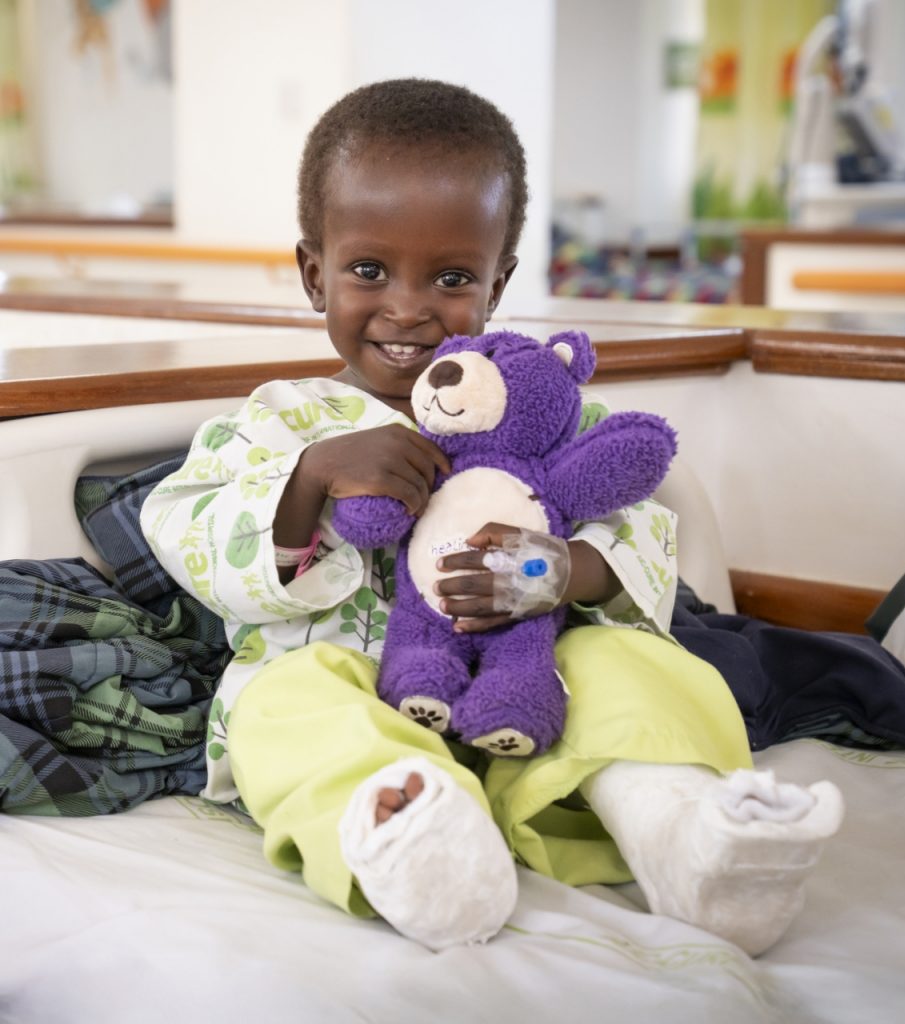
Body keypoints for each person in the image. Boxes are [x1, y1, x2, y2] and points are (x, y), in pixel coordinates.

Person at [141, 78, 843, 955]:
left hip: (527, 694)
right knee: (282, 705)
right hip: (360, 689)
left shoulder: (543, 410)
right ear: (314, 271)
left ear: (497, 284)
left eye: (450, 277)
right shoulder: (284, 420)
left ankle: (683, 831)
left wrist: (555, 571)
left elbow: (642, 530)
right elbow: (183, 526)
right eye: (368, 271)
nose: (408, 308)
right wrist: (310, 480)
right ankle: (411, 838)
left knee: (629, 659)